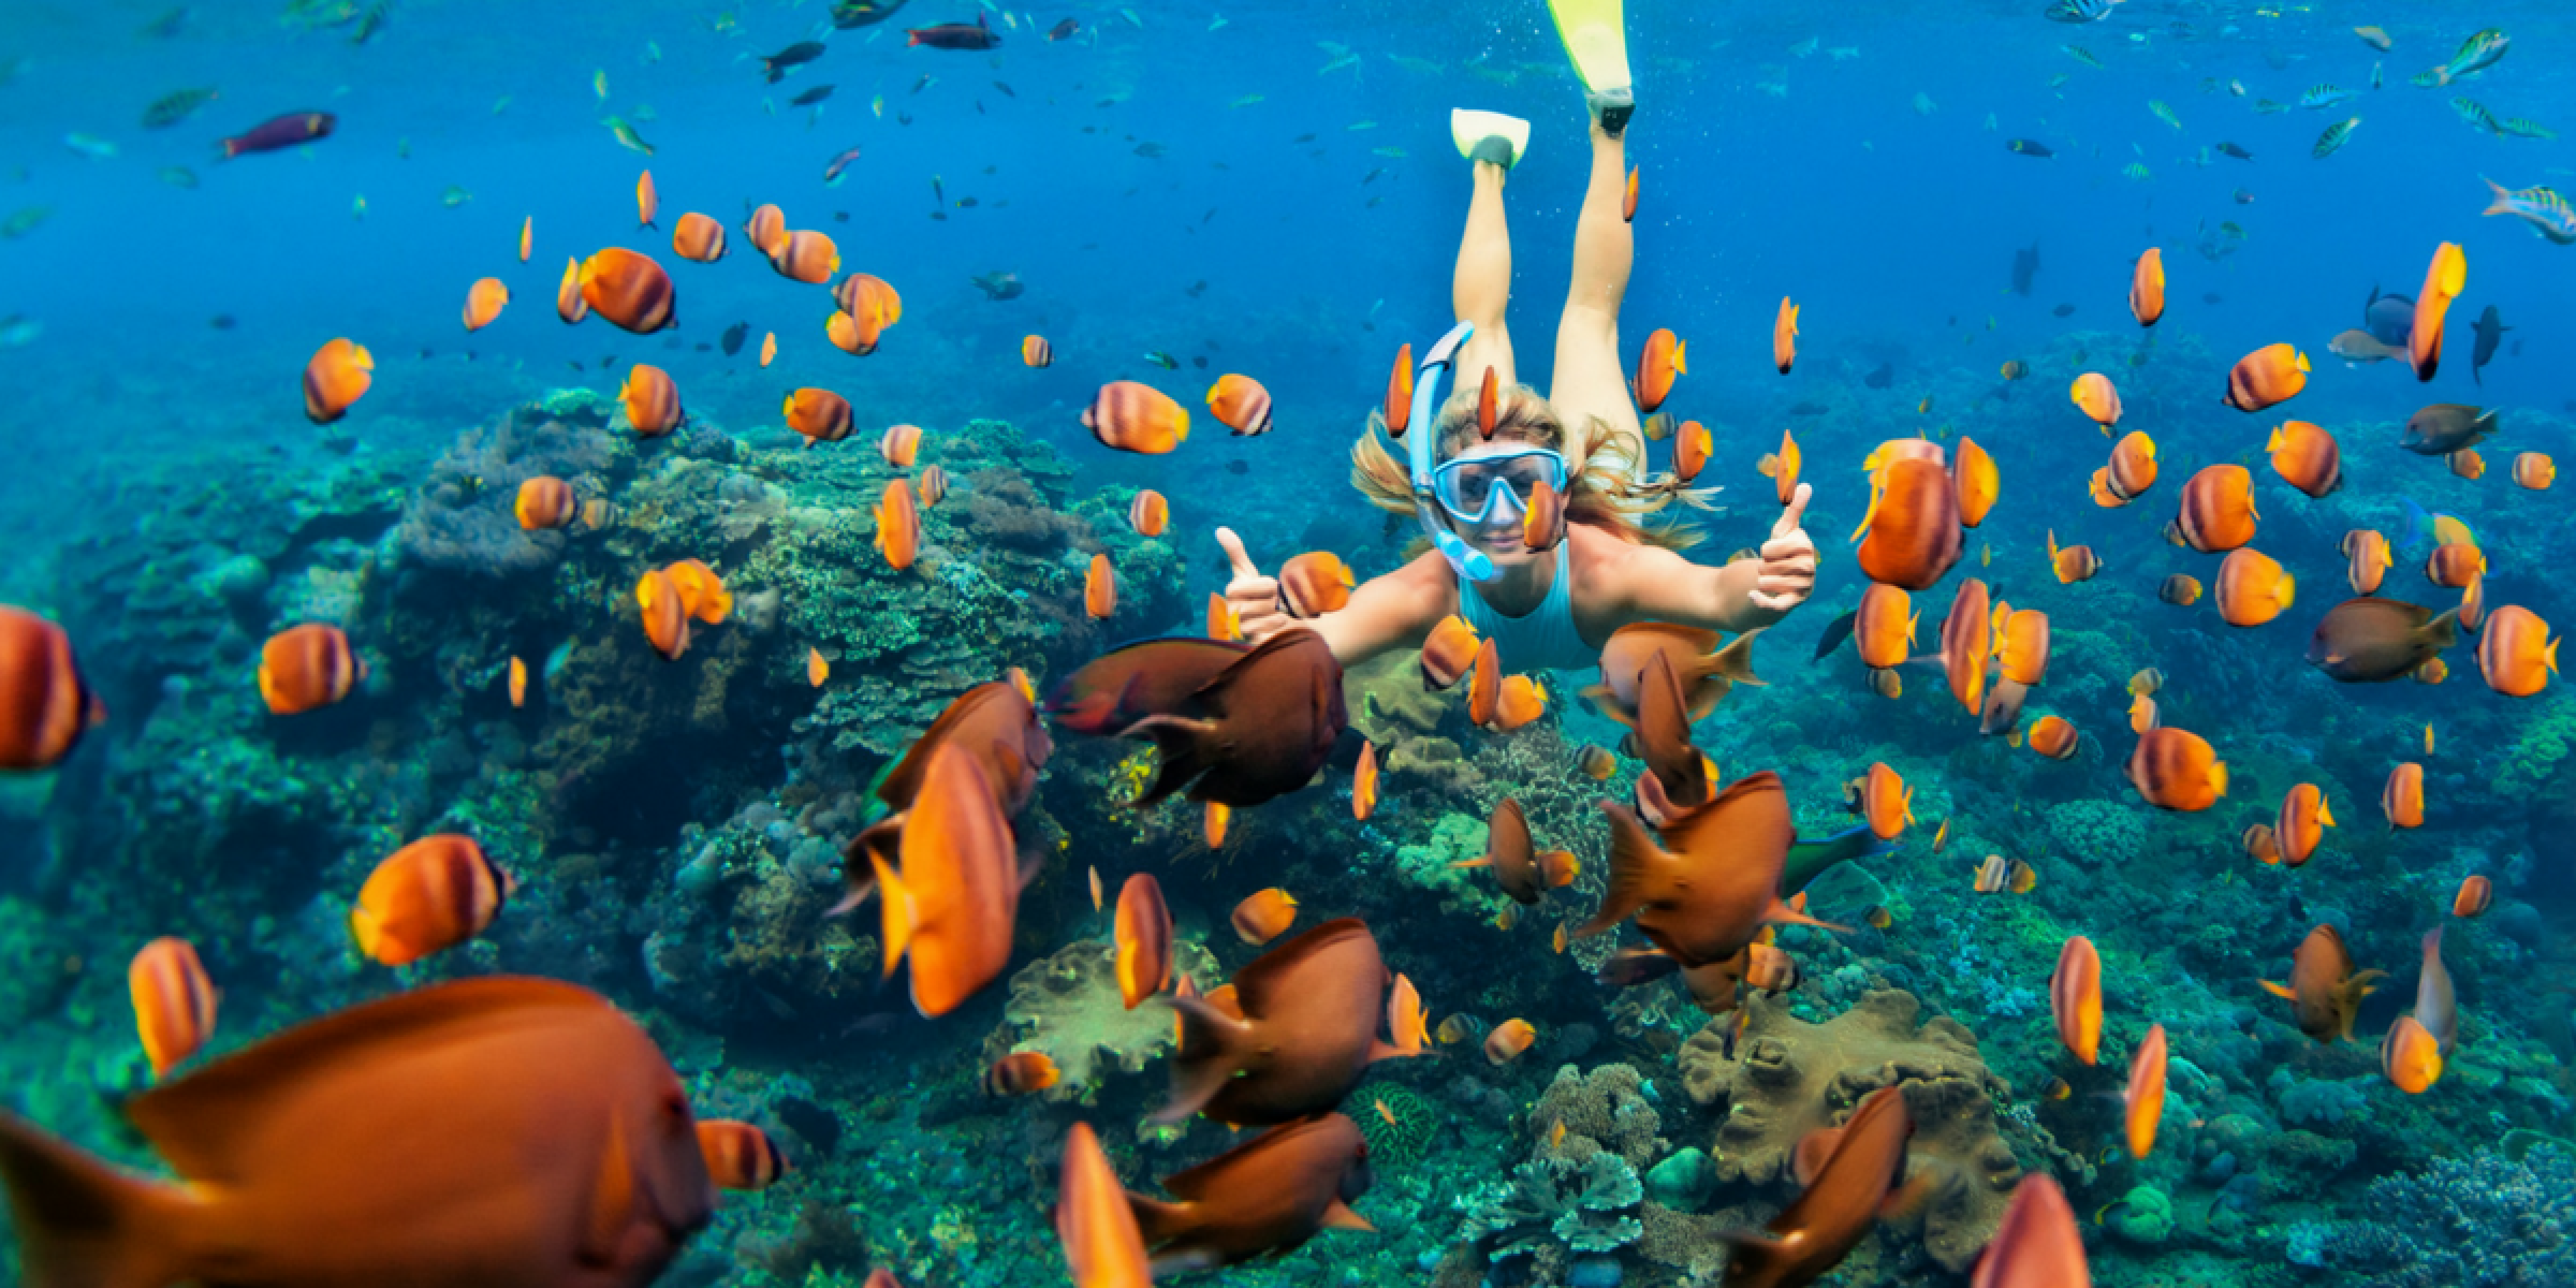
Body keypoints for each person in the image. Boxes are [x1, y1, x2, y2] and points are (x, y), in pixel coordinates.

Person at [1216, 0, 1818, 676]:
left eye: (1526, 483)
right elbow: (1322, 645)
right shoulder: (1429, 593)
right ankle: (1573, 138)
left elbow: (1716, 594)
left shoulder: (1605, 572)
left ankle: (1524, 153)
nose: (1504, 511)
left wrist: (1762, 591)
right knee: (1587, 320)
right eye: (1474, 489)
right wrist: (1277, 641)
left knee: (1513, 329)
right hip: (1605, 481)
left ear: (1562, 489)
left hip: (1603, 494)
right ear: (1440, 500)